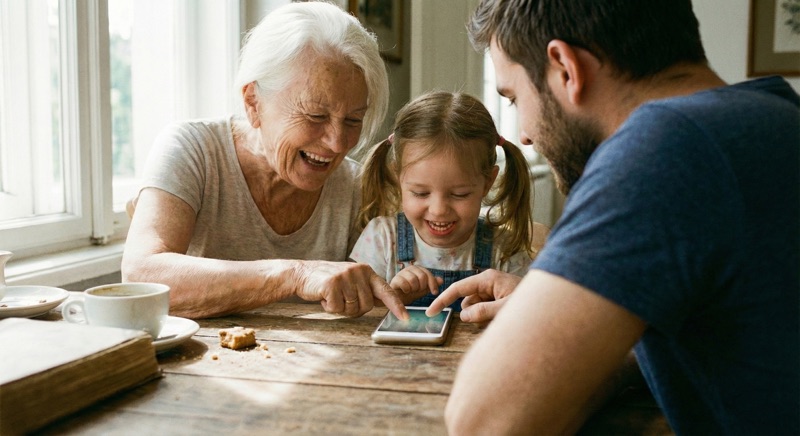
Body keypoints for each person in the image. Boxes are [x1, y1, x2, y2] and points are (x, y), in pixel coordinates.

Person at [427, 0, 800, 434]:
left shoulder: (667, 147)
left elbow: (484, 420)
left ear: (565, 68)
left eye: (514, 97)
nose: (524, 132)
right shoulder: (772, 114)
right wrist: (582, 315)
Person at [121, 2, 412, 321]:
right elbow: (140, 276)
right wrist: (296, 274)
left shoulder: (357, 186)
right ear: (253, 103)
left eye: (353, 120)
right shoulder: (192, 150)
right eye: (315, 115)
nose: (338, 142)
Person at [349, 91, 548, 311]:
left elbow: (531, 314)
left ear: (487, 182)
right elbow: (358, 318)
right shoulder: (381, 240)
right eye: (420, 193)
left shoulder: (504, 249)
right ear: (398, 178)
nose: (439, 210)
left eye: (459, 194)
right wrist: (389, 298)